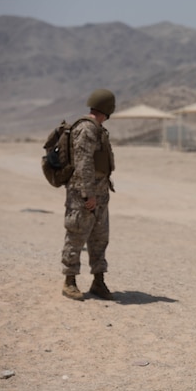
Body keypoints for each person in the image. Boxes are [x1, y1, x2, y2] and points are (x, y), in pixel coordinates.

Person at [61, 88, 116, 301]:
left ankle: (98, 280)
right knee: (76, 235)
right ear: (108, 107)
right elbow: (83, 163)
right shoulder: (86, 129)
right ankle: (70, 280)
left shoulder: (97, 128)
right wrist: (87, 194)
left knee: (100, 237)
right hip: (83, 195)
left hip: (100, 193)